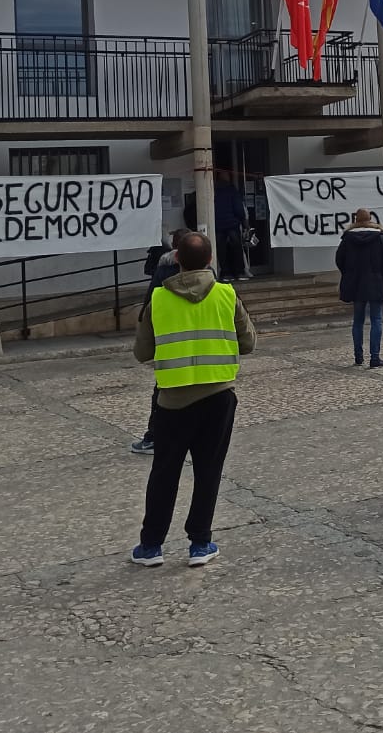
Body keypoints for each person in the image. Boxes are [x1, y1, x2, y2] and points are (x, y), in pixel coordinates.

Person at [130, 232, 256, 565]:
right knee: (209, 470)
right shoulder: (227, 296)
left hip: (172, 400)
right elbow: (249, 342)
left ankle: (151, 545)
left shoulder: (157, 299)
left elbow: (142, 352)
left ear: (177, 260)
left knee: (164, 472)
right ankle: (200, 543)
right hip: (218, 397)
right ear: (211, 260)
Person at [132, 229, 190, 455]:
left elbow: (151, 301)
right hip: (199, 349)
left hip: (170, 344)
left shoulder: (163, 272)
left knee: (163, 395)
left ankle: (154, 437)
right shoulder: (209, 275)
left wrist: (143, 324)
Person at [336, 208, 383, 368]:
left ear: (356, 220)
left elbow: (339, 259)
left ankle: (358, 356)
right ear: (370, 219)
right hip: (376, 283)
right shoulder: (379, 238)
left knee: (358, 321)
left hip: (356, 284)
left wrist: (348, 274)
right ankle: (375, 357)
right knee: (376, 320)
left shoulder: (348, 239)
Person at [214, 172, 251, 281]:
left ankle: (225, 273)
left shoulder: (213, 190)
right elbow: (238, 208)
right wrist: (244, 221)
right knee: (236, 248)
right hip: (232, 224)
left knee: (221, 249)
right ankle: (239, 272)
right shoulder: (232, 190)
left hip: (218, 224)